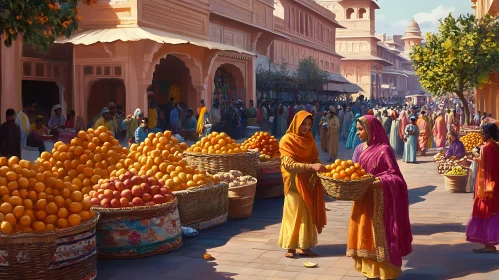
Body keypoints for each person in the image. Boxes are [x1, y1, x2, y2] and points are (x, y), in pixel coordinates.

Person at [348, 115, 412, 279]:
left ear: (371, 130)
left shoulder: (384, 150)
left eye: (361, 129)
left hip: (381, 202)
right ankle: (370, 271)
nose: (357, 133)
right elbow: (354, 171)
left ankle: (385, 272)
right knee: (365, 233)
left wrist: (377, 182)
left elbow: (396, 177)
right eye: (357, 129)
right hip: (363, 200)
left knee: (381, 236)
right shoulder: (360, 149)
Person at [278, 111, 327, 258]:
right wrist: (310, 167)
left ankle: (304, 246)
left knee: (307, 214)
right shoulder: (286, 140)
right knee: (293, 215)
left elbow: (314, 156)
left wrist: (320, 165)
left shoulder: (309, 139)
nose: (306, 127)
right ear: (296, 123)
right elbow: (288, 165)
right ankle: (290, 247)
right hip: (293, 183)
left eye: (309, 124)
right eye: (303, 124)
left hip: (308, 182)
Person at [466, 123, 499, 253]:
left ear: (488, 134)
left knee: (485, 213)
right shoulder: (495, 146)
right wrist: (478, 159)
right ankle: (489, 244)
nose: (481, 135)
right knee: (493, 213)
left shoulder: (485, 148)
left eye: (483, 133)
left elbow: (486, 168)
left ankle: (489, 244)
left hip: (485, 187)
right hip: (495, 185)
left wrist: (475, 157)